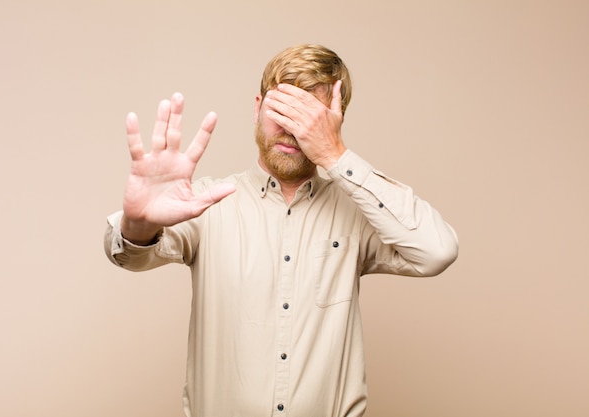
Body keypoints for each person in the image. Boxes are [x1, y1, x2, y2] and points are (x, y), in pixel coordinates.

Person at [104, 44, 458, 417]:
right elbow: (130, 254)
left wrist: (336, 156)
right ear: (257, 107)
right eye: (281, 110)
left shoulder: (359, 212)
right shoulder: (206, 202)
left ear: (334, 122)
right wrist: (139, 225)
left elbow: (437, 251)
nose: (291, 130)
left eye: (310, 118)